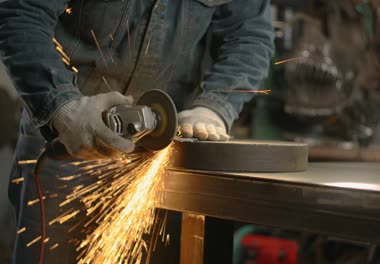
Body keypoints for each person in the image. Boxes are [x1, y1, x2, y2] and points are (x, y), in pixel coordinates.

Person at [0, 0, 274, 262]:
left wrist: (214, 107)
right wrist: (63, 108)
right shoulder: (67, 121)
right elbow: (22, 14)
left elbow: (249, 35)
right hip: (69, 133)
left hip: (162, 146)